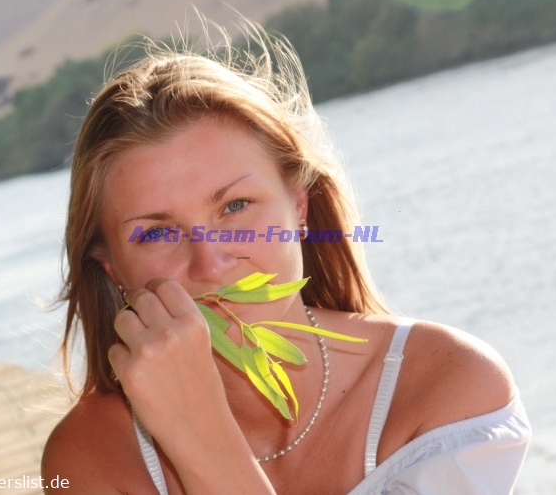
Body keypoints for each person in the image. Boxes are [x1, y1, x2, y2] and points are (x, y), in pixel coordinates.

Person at [41, 26, 531, 494]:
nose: (211, 264)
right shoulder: (93, 457)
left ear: (299, 208)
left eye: (235, 206)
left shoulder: (449, 385)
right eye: (158, 233)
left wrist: (202, 436)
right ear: (112, 269)